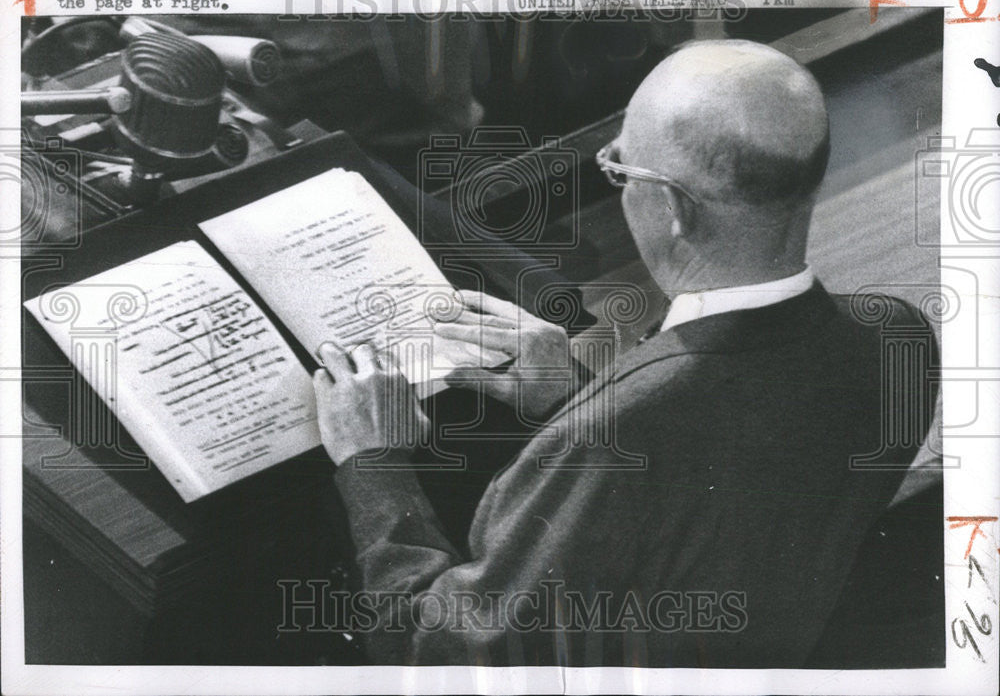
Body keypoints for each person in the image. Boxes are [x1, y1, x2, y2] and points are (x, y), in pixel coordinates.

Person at [310, 39, 938, 667]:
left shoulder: (602, 441)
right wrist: (581, 393)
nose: (618, 184)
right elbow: (724, 460)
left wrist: (374, 463)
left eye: (620, 168)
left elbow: (444, 655)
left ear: (669, 208)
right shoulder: (899, 339)